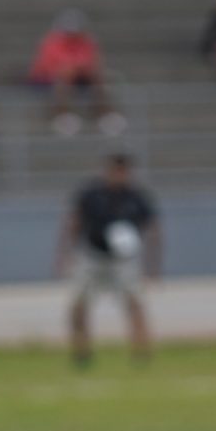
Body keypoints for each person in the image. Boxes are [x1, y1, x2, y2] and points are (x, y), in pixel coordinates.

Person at [58, 153, 159, 366]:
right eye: (115, 171)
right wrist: (66, 254)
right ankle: (81, 353)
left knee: (134, 303)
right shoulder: (92, 194)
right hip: (93, 255)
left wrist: (152, 264)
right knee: (79, 304)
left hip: (124, 260)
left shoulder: (136, 197)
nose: (119, 176)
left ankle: (141, 353)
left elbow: (153, 229)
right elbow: (73, 223)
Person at [28, 9, 118, 135]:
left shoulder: (87, 42)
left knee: (98, 75)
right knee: (65, 74)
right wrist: (75, 68)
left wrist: (80, 68)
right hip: (52, 79)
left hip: (79, 76)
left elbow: (93, 62)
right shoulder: (51, 43)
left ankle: (103, 114)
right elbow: (49, 67)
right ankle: (62, 115)